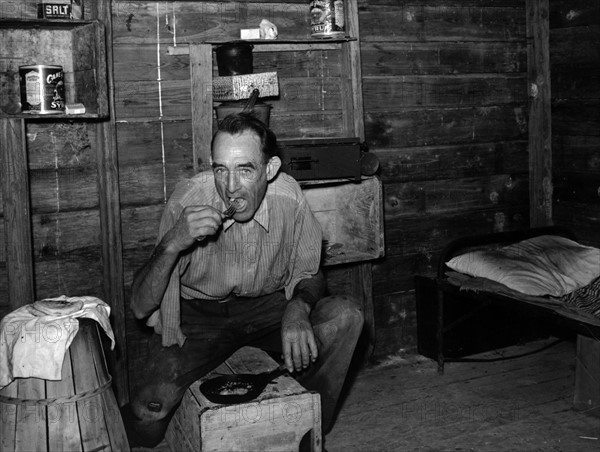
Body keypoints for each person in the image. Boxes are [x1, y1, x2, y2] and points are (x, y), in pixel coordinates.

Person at [122, 113, 364, 447]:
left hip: (268, 307)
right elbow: (139, 307)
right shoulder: (187, 201)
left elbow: (309, 273)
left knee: (345, 316)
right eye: (220, 169)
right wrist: (173, 242)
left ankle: (309, 423)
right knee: (149, 412)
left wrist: (298, 306)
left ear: (270, 169)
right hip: (198, 315)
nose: (230, 187)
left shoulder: (289, 198)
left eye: (245, 170)